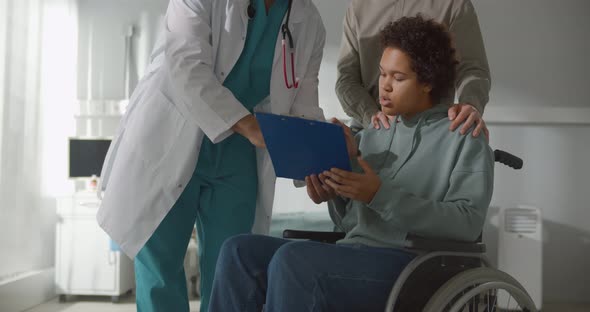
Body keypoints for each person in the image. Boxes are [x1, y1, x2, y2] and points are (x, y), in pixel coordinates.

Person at [208, 15, 494, 312]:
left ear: (428, 82)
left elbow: (467, 223)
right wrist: (335, 188)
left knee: (293, 260)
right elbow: (348, 222)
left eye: (398, 78)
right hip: (355, 253)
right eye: (382, 74)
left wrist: (378, 195)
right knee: (238, 251)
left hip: (414, 267)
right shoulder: (373, 133)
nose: (384, 87)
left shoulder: (463, 137)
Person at [96, 0, 326, 310]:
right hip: (171, 135)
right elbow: (186, 65)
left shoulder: (308, 21)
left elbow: (303, 104)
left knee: (228, 269)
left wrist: (316, 164)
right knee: (159, 267)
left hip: (239, 154)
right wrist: (249, 125)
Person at [336, 0, 491, 138]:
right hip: (367, 130)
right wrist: (371, 116)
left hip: (429, 134)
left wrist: (471, 104)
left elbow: (472, 68)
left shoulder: (454, 5)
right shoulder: (359, 6)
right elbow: (346, 79)